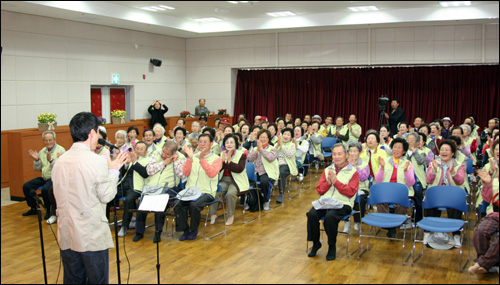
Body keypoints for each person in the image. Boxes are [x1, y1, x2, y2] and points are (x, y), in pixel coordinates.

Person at [51, 112, 127, 284]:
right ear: (92, 133)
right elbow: (106, 196)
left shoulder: (60, 162)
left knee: (73, 279)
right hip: (90, 235)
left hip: (67, 233)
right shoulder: (96, 161)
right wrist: (114, 171)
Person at [306, 143, 359, 261]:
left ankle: (332, 246)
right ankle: (316, 243)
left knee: (330, 217)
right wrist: (328, 183)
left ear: (346, 155)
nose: (337, 157)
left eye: (340, 154)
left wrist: (336, 182)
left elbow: (351, 192)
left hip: (344, 203)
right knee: (312, 214)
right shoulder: (327, 170)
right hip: (326, 202)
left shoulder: (353, 172)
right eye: (334, 154)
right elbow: (319, 189)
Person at [133, 141, 186, 243]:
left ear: (174, 153)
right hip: (152, 187)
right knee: (142, 203)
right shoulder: (156, 153)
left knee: (160, 203)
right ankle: (139, 232)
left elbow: (182, 175)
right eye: (163, 152)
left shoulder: (181, 158)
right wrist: (163, 163)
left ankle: (158, 232)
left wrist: (175, 162)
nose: (164, 155)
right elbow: (149, 170)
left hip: (169, 187)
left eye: (167, 154)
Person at [176, 134, 222, 241]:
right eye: (200, 141)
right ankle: (185, 230)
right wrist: (190, 159)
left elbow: (212, 173)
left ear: (211, 144)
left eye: (205, 142)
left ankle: (194, 229)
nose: (202, 144)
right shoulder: (193, 155)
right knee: (178, 204)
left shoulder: (217, 159)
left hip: (207, 192)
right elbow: (185, 172)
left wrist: (202, 160)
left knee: (194, 205)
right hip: (191, 191)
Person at [424, 140, 467, 247]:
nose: (444, 152)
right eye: (442, 149)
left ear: (453, 153)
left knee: (455, 206)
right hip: (436, 195)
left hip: (452, 195)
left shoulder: (459, 165)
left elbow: (460, 181)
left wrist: (453, 172)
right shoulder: (433, 163)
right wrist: (433, 170)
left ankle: (456, 235)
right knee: (429, 201)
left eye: (447, 150)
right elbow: (428, 180)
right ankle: (427, 233)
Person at [375, 138, 415, 238]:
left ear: (404, 151)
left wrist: (406, 171)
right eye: (394, 147)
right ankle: (390, 226)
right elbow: (378, 180)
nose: (396, 149)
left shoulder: (408, 163)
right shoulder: (385, 161)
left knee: (401, 203)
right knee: (379, 200)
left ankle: (393, 225)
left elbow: (411, 183)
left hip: (402, 193)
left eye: (399, 148)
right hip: (386, 192)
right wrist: (382, 168)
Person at [22, 131, 66, 222]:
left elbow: (62, 167)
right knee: (26, 186)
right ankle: (33, 207)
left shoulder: (61, 150)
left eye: (50, 140)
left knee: (45, 189)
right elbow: (37, 168)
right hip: (44, 177)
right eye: (46, 140)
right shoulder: (42, 151)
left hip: (54, 177)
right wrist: (37, 160)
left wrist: (51, 160)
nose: (48, 142)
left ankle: (49, 211)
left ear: (54, 140)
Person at [211, 134, 249, 226]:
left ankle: (230, 215)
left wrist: (229, 161)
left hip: (237, 181)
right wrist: (223, 162)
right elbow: (217, 170)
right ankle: (213, 214)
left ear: (236, 144)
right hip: (223, 180)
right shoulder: (221, 154)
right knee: (214, 191)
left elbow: (239, 169)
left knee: (230, 194)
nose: (229, 144)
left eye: (231, 142)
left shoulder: (242, 155)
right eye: (227, 142)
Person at [469, 159, 498, 274]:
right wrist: (487, 184)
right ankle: (490, 264)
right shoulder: (495, 181)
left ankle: (482, 263)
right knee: (479, 231)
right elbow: (486, 199)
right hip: (495, 214)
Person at [116, 141, 150, 238]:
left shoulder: (148, 160)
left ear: (146, 151)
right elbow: (122, 173)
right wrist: (126, 164)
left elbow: (144, 173)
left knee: (129, 200)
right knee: (109, 195)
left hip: (135, 187)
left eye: (141, 149)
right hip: (123, 185)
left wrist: (134, 161)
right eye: (137, 149)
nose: (139, 151)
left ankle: (124, 226)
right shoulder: (131, 158)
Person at [248, 129, 280, 211]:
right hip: (255, 171)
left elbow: (270, 158)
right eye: (261, 137)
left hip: (266, 171)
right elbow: (250, 159)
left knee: (264, 182)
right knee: (247, 182)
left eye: (264, 137)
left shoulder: (272, 148)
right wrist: (257, 150)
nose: (262, 139)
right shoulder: (255, 148)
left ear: (268, 139)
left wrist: (261, 149)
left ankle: (266, 200)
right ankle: (250, 201)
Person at [346, 142, 370, 232]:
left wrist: (356, 168)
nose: (352, 153)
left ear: (359, 153)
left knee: (360, 198)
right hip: (348, 188)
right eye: (351, 151)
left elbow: (363, 178)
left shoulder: (364, 164)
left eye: (355, 151)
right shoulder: (344, 163)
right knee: (343, 197)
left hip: (361, 188)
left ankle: (357, 221)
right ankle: (346, 222)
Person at [406, 132, 427, 223]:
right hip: (405, 181)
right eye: (408, 140)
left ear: (417, 143)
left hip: (417, 181)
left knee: (418, 201)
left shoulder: (422, 152)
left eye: (412, 140)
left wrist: (414, 151)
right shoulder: (403, 152)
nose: (409, 142)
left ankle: (417, 220)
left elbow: (420, 161)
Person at [275, 128, 298, 204]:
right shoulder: (277, 143)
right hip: (276, 164)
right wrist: (277, 146)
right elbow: (272, 153)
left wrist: (282, 145)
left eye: (288, 135)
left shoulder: (292, 145)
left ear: (291, 137)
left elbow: (289, 155)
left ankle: (281, 193)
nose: (286, 136)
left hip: (286, 165)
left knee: (281, 172)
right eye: (284, 134)